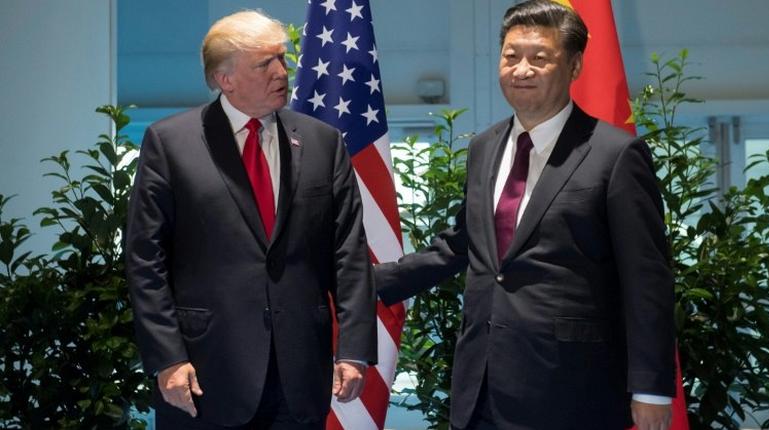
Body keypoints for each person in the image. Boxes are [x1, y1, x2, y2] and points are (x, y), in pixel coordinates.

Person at [375, 1, 675, 429]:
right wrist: (368, 281)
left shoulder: (615, 154)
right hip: (481, 387)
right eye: (511, 56)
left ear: (574, 67)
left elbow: (647, 279)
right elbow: (463, 243)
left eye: (539, 58)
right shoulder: (484, 147)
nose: (521, 70)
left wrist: (650, 389)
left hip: (571, 391)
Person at [125, 10, 377, 429]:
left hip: (300, 376)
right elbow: (145, 262)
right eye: (265, 64)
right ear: (225, 79)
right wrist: (167, 357)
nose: (282, 71)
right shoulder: (170, 143)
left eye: (282, 59)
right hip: (204, 374)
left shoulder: (322, 142)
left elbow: (348, 253)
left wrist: (352, 349)